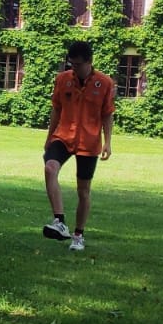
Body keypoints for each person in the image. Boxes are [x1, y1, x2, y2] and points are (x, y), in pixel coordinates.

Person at [42, 40, 115, 252]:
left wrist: (108, 142)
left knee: (83, 191)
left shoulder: (105, 83)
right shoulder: (62, 79)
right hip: (64, 136)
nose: (74, 68)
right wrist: (49, 137)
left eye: (78, 64)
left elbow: (107, 114)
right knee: (50, 168)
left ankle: (78, 236)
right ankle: (59, 221)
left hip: (89, 142)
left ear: (89, 62)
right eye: (71, 64)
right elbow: (56, 109)